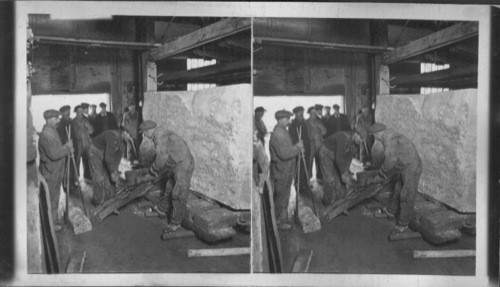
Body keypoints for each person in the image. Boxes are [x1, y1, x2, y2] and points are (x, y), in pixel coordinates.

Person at [365, 123, 423, 237]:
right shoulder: (388, 136)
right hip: (403, 164)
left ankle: (403, 224)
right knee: (397, 188)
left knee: (406, 194)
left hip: (412, 166)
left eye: (373, 136)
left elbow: (390, 160)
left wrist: (381, 174)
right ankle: (391, 211)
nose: (374, 138)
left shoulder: (390, 141)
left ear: (377, 134)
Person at [141, 120, 195, 235]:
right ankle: (162, 209)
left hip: (183, 163)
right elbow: (166, 156)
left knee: (179, 193)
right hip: (175, 162)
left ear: (149, 130)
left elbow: (162, 157)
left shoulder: (159, 136)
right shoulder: (158, 133)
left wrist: (153, 171)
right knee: (169, 187)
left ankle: (175, 223)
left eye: (144, 133)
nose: (144, 135)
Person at [38, 109, 74, 231]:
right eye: (56, 118)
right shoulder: (46, 135)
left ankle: (53, 220)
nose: (58, 120)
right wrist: (67, 147)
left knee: (54, 197)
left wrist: (67, 149)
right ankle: (51, 224)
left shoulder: (52, 131)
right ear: (48, 119)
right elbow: (54, 154)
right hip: (50, 172)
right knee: (51, 199)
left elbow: (58, 148)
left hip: (55, 171)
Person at [269, 110, 304, 230]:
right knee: (281, 196)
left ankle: (282, 218)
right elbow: (284, 154)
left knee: (284, 195)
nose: (289, 121)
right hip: (282, 171)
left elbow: (288, 148)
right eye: (287, 118)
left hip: (286, 170)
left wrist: (296, 148)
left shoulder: (283, 131)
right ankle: (279, 222)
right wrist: (298, 148)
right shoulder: (278, 135)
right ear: (280, 120)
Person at [319, 127, 364, 206]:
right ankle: (328, 202)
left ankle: (339, 201)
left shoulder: (355, 144)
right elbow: (339, 158)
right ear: (356, 134)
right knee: (330, 179)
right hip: (325, 154)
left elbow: (348, 158)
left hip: (334, 155)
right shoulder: (343, 137)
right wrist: (343, 173)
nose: (361, 141)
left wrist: (345, 171)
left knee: (339, 180)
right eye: (361, 138)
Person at [88, 128, 126, 206]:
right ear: (125, 133)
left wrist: (115, 170)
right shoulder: (112, 136)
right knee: (99, 178)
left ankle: (109, 200)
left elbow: (117, 158)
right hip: (95, 152)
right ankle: (98, 203)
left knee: (107, 178)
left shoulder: (123, 143)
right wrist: (112, 172)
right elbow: (108, 158)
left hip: (104, 153)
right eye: (130, 135)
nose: (131, 138)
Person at [288, 106, 310, 194]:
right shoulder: (293, 125)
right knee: (299, 167)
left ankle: (304, 184)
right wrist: (299, 147)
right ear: (295, 114)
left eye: (302, 112)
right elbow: (292, 139)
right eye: (299, 112)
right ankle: (298, 185)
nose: (301, 114)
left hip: (307, 148)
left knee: (306, 166)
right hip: (298, 149)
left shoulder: (304, 122)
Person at [71, 105, 94, 182]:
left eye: (82, 111)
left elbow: (91, 131)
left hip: (87, 142)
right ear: (76, 112)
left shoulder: (86, 120)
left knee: (87, 160)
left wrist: (88, 126)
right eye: (79, 111)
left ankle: (87, 176)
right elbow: (74, 134)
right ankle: (75, 178)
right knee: (77, 161)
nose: (81, 113)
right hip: (78, 144)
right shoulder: (73, 121)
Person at [306, 106, 326, 183]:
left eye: (315, 112)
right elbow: (307, 135)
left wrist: (321, 127)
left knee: (320, 162)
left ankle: (320, 177)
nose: (315, 114)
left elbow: (325, 132)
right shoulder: (307, 123)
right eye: (313, 113)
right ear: (309, 114)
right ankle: (308, 179)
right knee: (310, 162)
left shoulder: (319, 122)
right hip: (311, 146)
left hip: (320, 145)